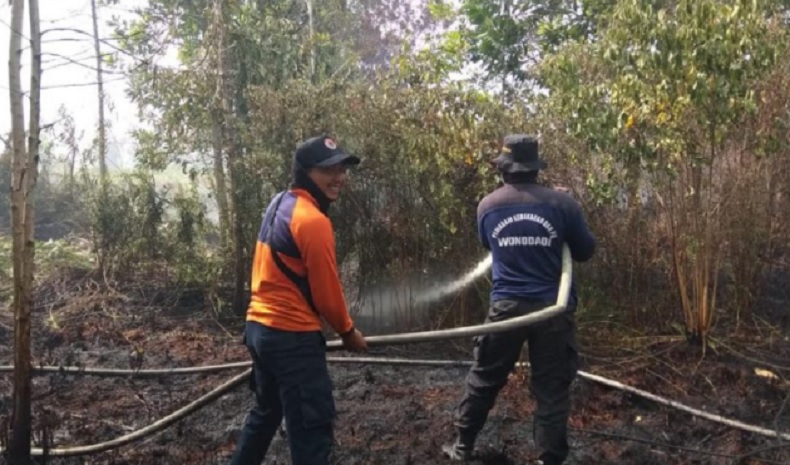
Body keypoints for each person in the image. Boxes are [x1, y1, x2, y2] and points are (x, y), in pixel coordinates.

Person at [442, 134, 596, 465]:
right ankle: (549, 459)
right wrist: (564, 214)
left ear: (504, 169)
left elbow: (489, 243)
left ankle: (463, 445)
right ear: (536, 169)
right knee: (551, 388)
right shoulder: (562, 205)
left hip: (506, 308)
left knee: (485, 377)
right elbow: (585, 250)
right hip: (552, 311)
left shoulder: (487, 206)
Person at [230, 135, 368, 465]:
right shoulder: (313, 221)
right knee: (311, 431)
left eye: (341, 169)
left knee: (266, 413)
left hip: (259, 331)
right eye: (328, 170)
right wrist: (348, 332)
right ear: (305, 172)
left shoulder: (280, 203)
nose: (338, 178)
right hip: (291, 338)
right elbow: (327, 292)